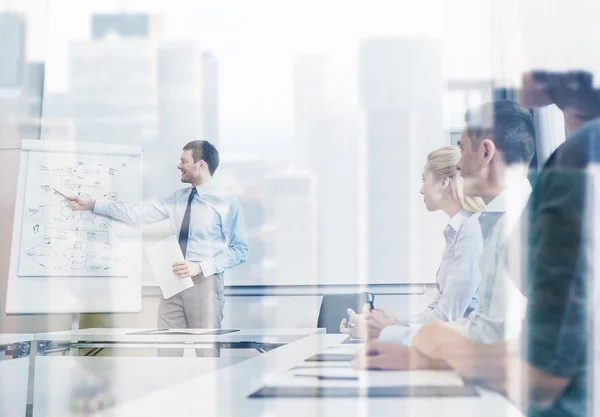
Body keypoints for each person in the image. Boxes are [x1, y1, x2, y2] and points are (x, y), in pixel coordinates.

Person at [409, 71, 600, 417]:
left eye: (461, 149)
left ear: (486, 152)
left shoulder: (574, 164)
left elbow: (545, 369)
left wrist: (431, 343)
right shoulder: (544, 186)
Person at [352, 100, 536, 369]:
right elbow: (479, 325)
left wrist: (397, 334)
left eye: (461, 149)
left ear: (486, 152)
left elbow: (490, 337)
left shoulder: (519, 227)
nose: (458, 164)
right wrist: (397, 330)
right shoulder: (501, 222)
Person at [67, 140, 249, 356]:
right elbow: (136, 214)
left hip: (205, 284)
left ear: (200, 165)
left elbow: (240, 250)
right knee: (166, 350)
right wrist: (92, 204)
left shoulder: (226, 202)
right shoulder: (177, 199)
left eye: (184, 161)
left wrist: (199, 267)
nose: (178, 165)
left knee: (206, 354)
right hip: (173, 282)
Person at [339, 146, 486, 344]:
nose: (421, 188)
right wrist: (382, 325)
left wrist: (388, 329)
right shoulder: (457, 232)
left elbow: (448, 316)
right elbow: (436, 310)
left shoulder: (471, 229)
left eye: (424, 179)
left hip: (463, 349)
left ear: (443, 182)